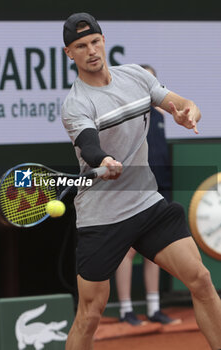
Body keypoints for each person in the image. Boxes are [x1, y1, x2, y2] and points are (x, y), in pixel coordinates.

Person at [61, 12, 221, 350]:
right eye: (80, 46)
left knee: (202, 280)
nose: (90, 50)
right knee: (90, 314)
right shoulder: (76, 104)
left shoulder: (135, 76)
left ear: (103, 42)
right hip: (102, 218)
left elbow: (182, 103)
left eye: (94, 42)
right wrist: (103, 160)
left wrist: (187, 111)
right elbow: (89, 144)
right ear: (69, 54)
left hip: (147, 205)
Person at [115, 64, 176, 325]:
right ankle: (126, 310)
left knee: (157, 249)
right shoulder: (127, 115)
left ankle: (154, 309)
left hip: (159, 187)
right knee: (128, 251)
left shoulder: (160, 115)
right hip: (134, 188)